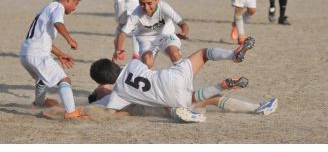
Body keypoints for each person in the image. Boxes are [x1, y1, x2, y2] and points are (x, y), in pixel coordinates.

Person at [104, 36, 278, 121]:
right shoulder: (131, 65)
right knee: (203, 54)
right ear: (114, 66)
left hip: (172, 100)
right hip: (172, 77)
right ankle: (232, 56)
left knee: (187, 102)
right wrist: (150, 51)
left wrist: (126, 111)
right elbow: (148, 60)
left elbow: (112, 114)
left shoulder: (117, 94)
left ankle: (218, 87)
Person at [20, 0, 87, 119]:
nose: (75, 8)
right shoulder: (58, 7)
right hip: (38, 55)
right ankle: (71, 112)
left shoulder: (47, 8)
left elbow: (43, 41)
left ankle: (39, 103)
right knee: (64, 80)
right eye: (76, 3)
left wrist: (60, 54)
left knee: (42, 78)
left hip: (26, 54)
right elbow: (58, 23)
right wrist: (69, 39)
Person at [113, 0, 189, 68]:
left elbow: (183, 23)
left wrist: (184, 32)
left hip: (166, 35)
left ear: (157, 0)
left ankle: (183, 74)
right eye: (142, 3)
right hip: (146, 39)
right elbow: (123, 32)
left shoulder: (164, 7)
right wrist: (119, 49)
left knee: (175, 53)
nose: (146, 7)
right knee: (148, 61)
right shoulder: (136, 14)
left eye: (149, 3)